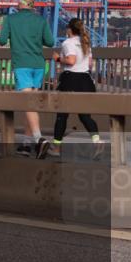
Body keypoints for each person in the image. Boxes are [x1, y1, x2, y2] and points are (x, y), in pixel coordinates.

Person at [0, 0, 54, 158]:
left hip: (22, 64)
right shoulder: (41, 20)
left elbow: (1, 40)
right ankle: (26, 145)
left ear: (21, 2)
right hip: (38, 65)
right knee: (31, 106)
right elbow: (50, 42)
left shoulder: (11, 19)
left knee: (29, 105)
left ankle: (39, 139)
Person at [46, 18, 104, 160]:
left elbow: (71, 61)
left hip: (71, 80)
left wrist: (58, 59)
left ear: (70, 29)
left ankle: (57, 147)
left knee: (62, 116)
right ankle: (97, 142)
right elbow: (89, 64)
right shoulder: (86, 43)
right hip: (85, 81)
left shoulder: (68, 43)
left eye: (67, 28)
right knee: (85, 116)